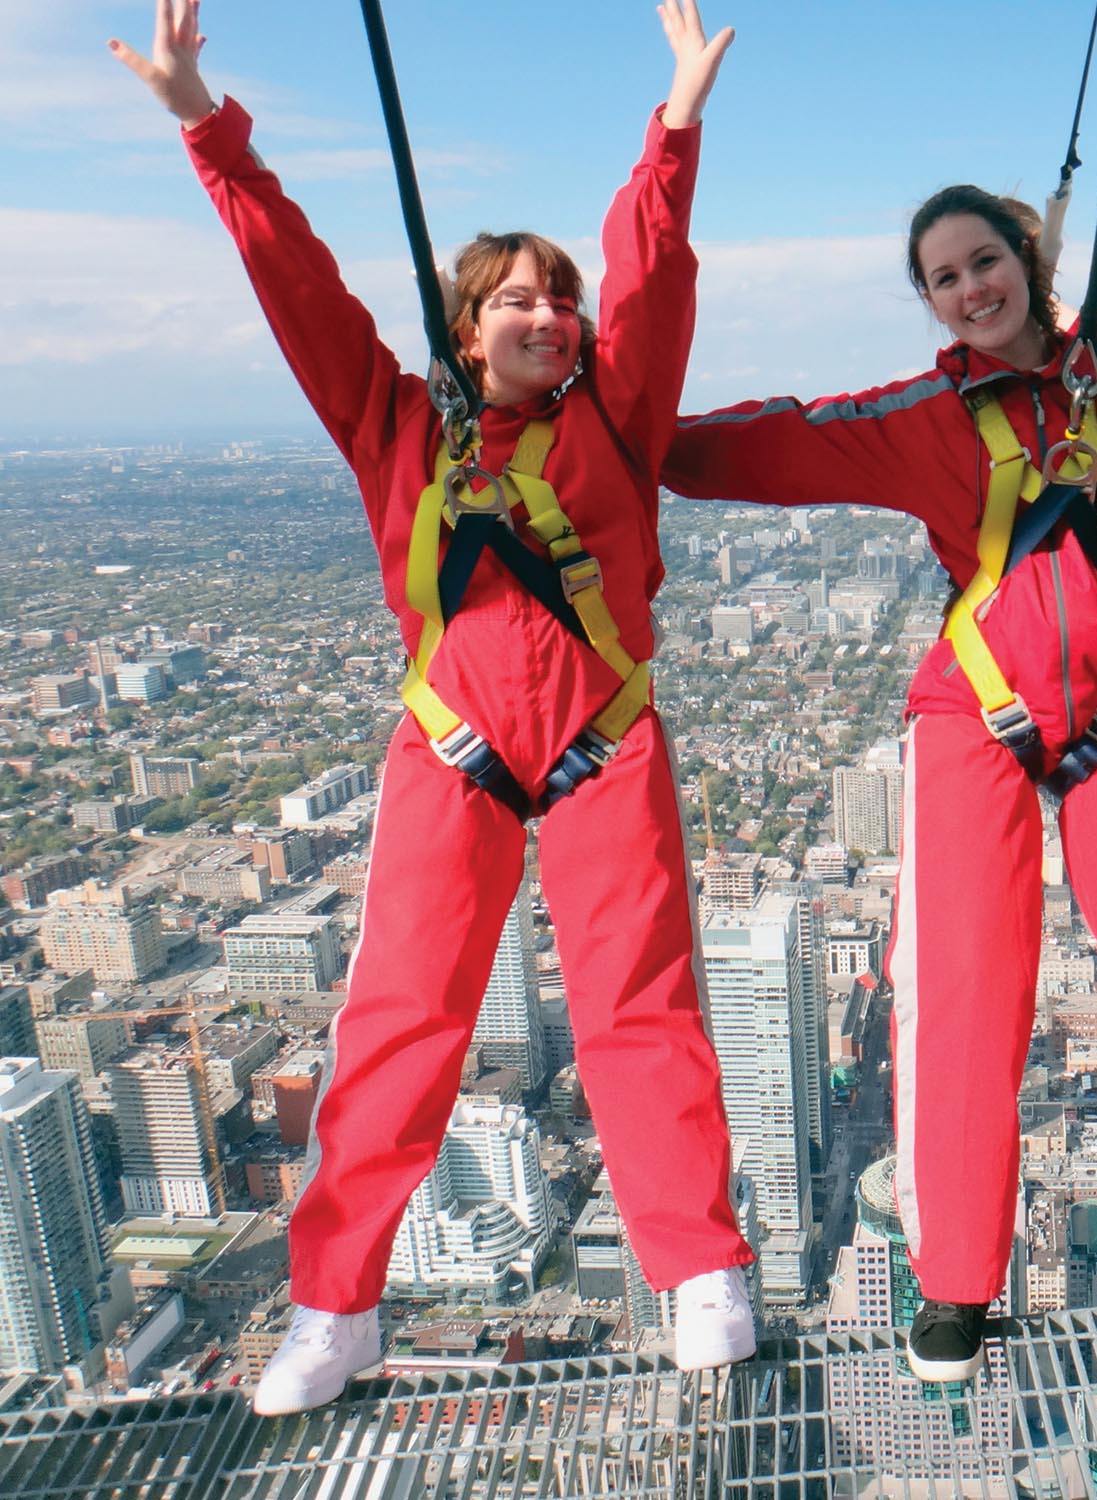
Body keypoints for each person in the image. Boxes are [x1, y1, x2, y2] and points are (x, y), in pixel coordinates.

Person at [112, 0, 757, 1413]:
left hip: (602, 743)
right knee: (400, 1024)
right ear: (466, 331)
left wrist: (676, 127)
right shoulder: (397, 425)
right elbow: (302, 293)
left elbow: (655, 282)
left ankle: (703, 1272)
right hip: (452, 752)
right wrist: (206, 129)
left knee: (640, 1013)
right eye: (516, 299)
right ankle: (333, 1310)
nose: (549, 315)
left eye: (558, 298)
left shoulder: (616, 418)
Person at [661, 185, 1097, 1381]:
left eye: (986, 262)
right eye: (943, 278)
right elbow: (776, 443)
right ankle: (958, 1285)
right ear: (927, 300)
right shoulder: (927, 415)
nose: (971, 289)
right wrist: (618, 438)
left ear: (1030, 262)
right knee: (961, 986)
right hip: (972, 711)